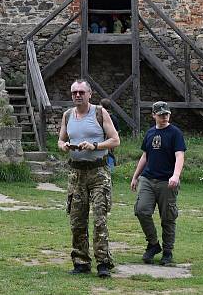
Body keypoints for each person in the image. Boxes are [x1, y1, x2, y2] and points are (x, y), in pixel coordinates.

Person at [58, 80, 120, 278]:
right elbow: (60, 139)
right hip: (76, 174)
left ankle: (103, 263)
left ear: (89, 94)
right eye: (74, 92)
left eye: (81, 92)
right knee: (77, 219)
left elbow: (115, 140)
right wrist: (63, 146)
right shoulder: (68, 115)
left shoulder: (100, 113)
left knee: (100, 219)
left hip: (98, 172)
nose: (77, 95)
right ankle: (81, 261)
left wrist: (95, 146)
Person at [130, 101, 186, 266]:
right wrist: (135, 176)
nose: (164, 117)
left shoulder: (175, 133)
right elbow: (145, 156)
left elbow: (179, 155)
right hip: (148, 179)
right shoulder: (149, 133)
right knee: (141, 210)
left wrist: (176, 175)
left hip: (167, 181)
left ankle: (167, 252)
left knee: (168, 218)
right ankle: (153, 244)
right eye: (161, 114)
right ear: (153, 115)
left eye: (167, 114)